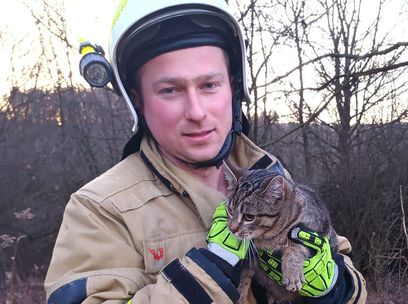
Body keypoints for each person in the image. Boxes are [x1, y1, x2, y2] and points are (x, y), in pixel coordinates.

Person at [44, 0, 367, 303]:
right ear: (138, 101)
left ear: (234, 87)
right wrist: (203, 276)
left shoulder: (268, 172)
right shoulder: (99, 208)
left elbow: (351, 277)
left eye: (209, 85)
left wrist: (334, 288)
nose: (196, 111)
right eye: (170, 90)